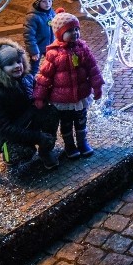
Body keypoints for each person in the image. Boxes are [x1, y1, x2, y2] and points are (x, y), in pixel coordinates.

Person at [33, 9, 104, 159]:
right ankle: (69, 145)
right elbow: (44, 76)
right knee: (65, 123)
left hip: (81, 95)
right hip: (62, 99)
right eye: (70, 30)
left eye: (77, 29)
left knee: (81, 120)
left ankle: (82, 142)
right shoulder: (53, 53)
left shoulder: (82, 48)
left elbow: (93, 68)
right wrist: (39, 97)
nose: (75, 33)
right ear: (59, 33)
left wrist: (97, 86)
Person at [0, 37, 60, 170]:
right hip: (5, 135)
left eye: (18, 61)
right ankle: (9, 156)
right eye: (10, 63)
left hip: (26, 119)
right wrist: (37, 136)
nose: (17, 66)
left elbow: (41, 99)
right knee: (24, 151)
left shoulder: (27, 79)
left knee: (51, 112)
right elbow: (4, 129)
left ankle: (46, 150)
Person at [23, 0, 55, 75]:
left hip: (50, 45)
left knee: (54, 63)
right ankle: (30, 82)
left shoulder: (51, 12)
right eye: (44, 1)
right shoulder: (32, 17)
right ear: (38, 2)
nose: (47, 4)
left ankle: (52, 79)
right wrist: (34, 52)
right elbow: (29, 35)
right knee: (34, 67)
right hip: (38, 47)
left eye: (49, 0)